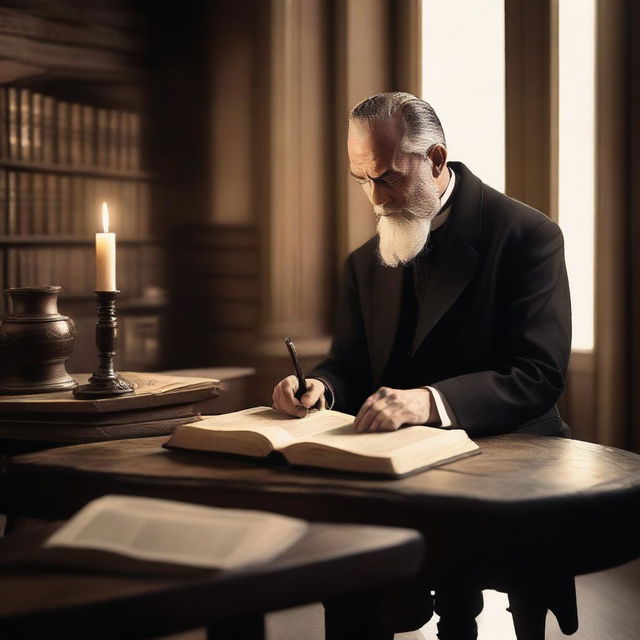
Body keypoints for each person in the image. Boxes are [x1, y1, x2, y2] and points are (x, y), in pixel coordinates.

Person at [272, 92, 572, 639]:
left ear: (435, 159)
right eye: (360, 180)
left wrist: (429, 402)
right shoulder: (363, 263)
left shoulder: (529, 236)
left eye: (386, 177)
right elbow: (353, 365)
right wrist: (320, 387)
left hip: (508, 459)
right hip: (398, 466)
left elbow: (539, 374)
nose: (375, 198)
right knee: (347, 571)